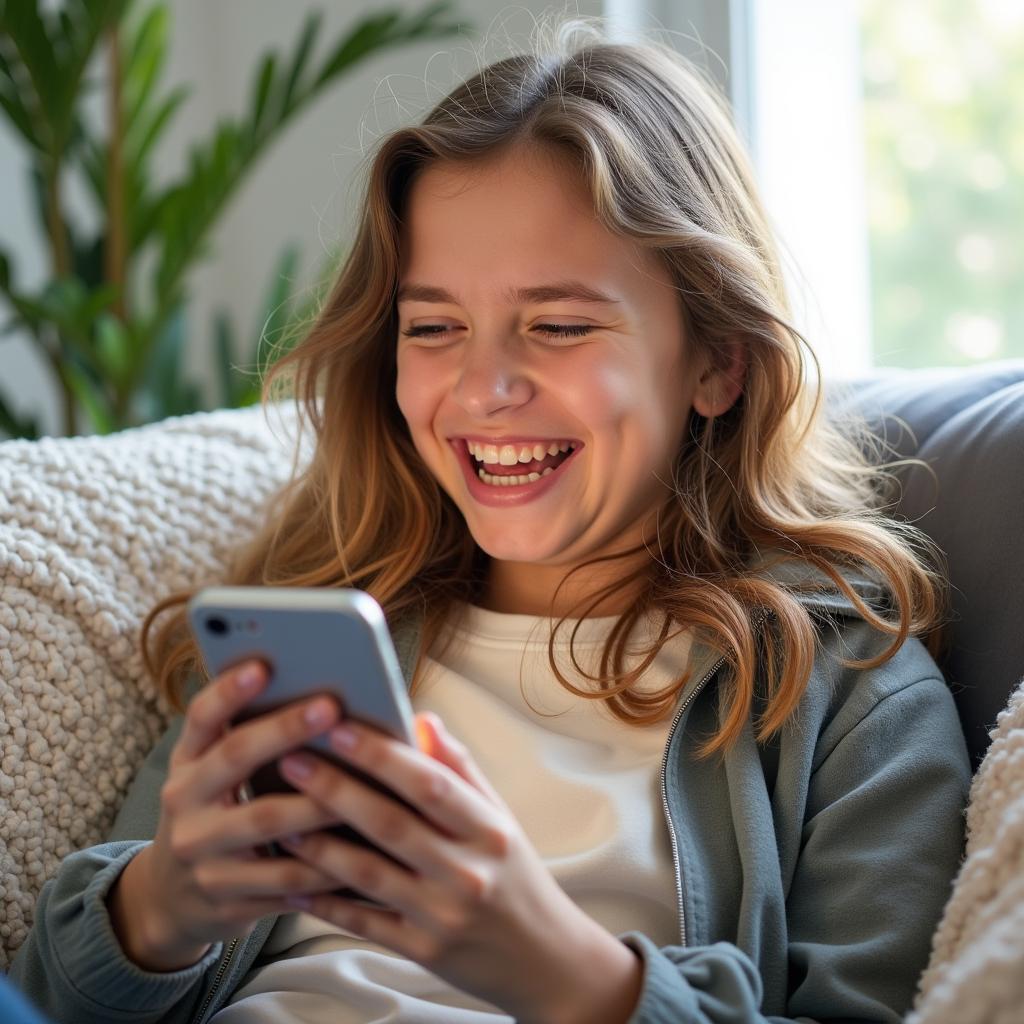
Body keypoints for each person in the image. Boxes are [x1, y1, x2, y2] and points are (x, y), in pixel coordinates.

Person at [7, 16, 971, 1024]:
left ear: (717, 361)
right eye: (433, 327)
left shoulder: (844, 687)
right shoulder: (312, 626)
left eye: (557, 325)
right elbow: (41, 999)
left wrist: (553, 963)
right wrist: (160, 908)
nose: (482, 387)